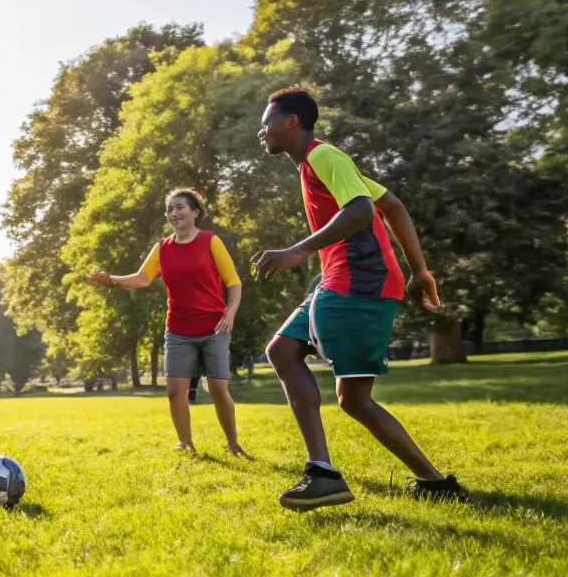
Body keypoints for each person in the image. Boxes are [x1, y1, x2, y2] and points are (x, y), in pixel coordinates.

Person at [252, 86, 468, 511]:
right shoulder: (318, 166)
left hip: (360, 281)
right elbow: (393, 206)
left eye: (267, 121)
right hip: (347, 279)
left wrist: (297, 250)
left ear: (292, 121)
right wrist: (420, 271)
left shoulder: (324, 156)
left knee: (346, 393)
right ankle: (430, 482)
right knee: (295, 360)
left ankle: (324, 475)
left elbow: (362, 212)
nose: (262, 130)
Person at [88, 188, 246, 456]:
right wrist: (111, 280)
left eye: (180, 207)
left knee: (218, 388)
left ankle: (232, 443)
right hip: (179, 330)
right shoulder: (163, 247)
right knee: (175, 392)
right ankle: (186, 444)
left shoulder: (210, 241)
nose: (174, 213)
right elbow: (142, 278)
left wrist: (229, 313)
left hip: (214, 327)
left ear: (195, 213)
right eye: (170, 209)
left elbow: (233, 281)